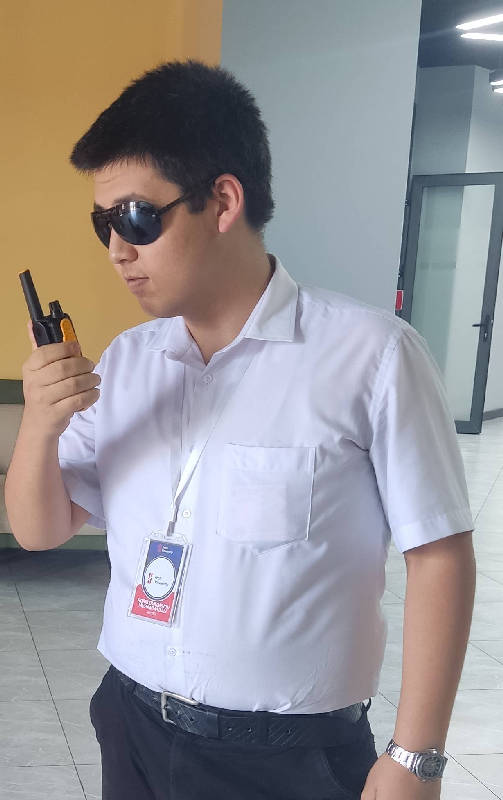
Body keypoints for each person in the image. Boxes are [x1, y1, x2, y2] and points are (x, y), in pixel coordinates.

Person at [6, 60, 476, 800]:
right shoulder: (128, 362)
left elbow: (440, 554)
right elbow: (39, 531)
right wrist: (40, 425)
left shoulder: (370, 357)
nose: (117, 250)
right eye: (103, 225)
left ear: (223, 201)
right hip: (132, 723)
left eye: (135, 218)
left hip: (285, 760)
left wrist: (415, 756)